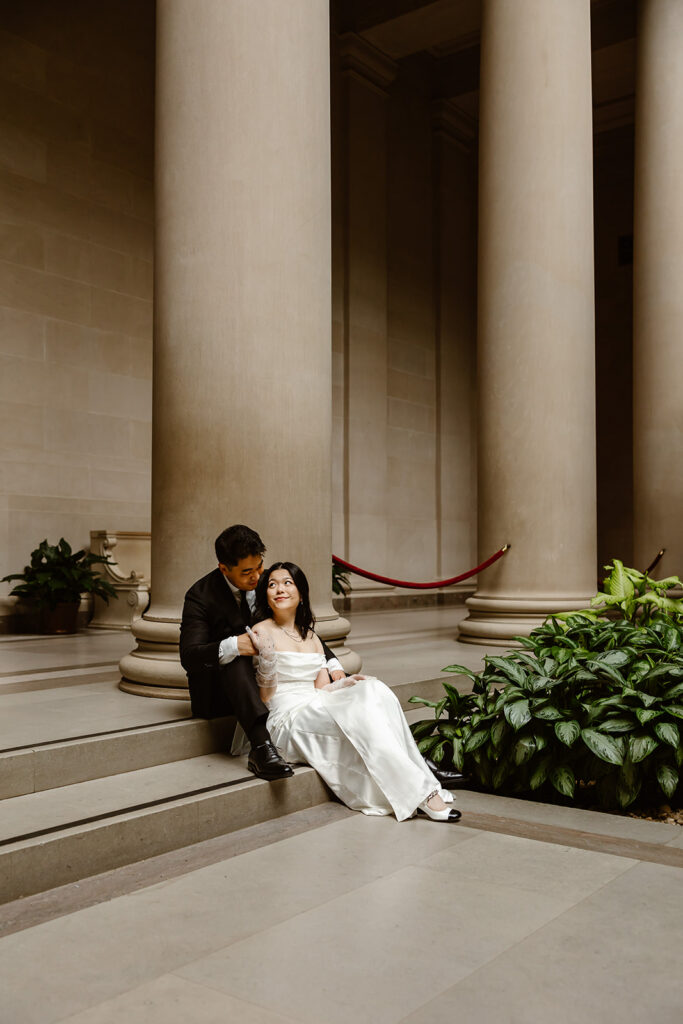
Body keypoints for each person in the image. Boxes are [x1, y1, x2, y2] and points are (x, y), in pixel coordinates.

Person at [248, 561, 462, 823]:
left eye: (287, 583)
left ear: (301, 594)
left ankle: (419, 786)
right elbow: (264, 697)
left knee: (374, 689)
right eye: (272, 584)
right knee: (361, 719)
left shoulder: (312, 637)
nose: (279, 589)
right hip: (287, 717)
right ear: (265, 594)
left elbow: (322, 689)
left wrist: (344, 685)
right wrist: (268, 659)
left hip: (314, 703)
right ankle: (425, 795)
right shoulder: (261, 630)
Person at [179, 525, 345, 781]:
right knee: (235, 658)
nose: (258, 576)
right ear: (224, 568)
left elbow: (293, 625)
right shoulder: (199, 596)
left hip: (272, 686)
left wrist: (332, 662)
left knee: (348, 685)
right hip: (220, 692)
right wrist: (234, 645)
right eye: (247, 571)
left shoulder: (264, 580)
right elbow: (189, 656)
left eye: (259, 566)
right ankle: (261, 748)